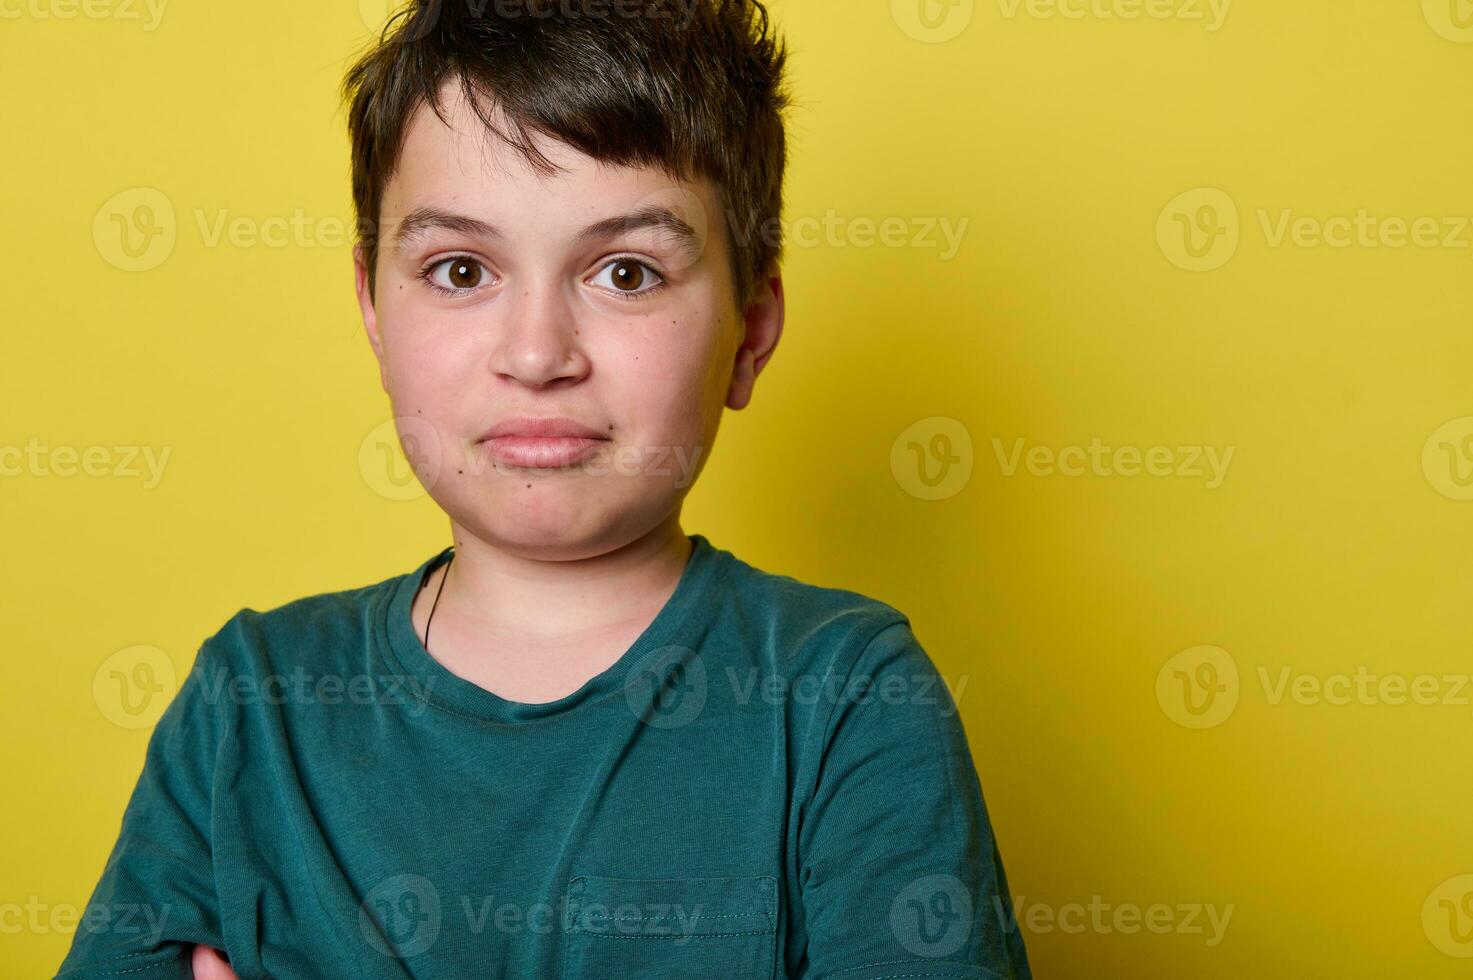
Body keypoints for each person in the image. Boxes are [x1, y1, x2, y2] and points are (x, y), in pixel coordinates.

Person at [56, 1, 1030, 976]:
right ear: (373, 310)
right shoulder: (249, 706)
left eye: (626, 272)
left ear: (751, 326)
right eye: (462, 267)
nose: (535, 353)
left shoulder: (843, 695)